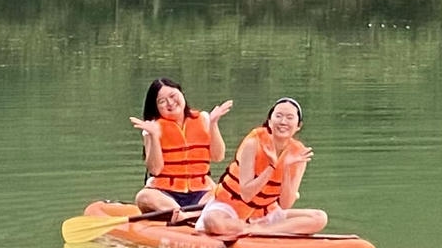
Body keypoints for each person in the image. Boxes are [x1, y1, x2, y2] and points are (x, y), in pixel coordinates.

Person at [198, 97, 327, 238]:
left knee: (319, 218)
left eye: (290, 117)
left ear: (298, 126)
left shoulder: (299, 155)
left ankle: (260, 231)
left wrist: (286, 169)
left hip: (265, 213)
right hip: (231, 207)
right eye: (278, 116)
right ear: (270, 122)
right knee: (212, 222)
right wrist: (272, 167)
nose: (283, 122)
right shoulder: (253, 143)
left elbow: (285, 204)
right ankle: (254, 228)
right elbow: (246, 194)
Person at [131, 78, 233, 219]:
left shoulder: (204, 119)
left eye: (173, 96)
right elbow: (155, 170)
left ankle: (185, 216)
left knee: (226, 193)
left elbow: (218, 156)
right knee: (144, 197)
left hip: (201, 192)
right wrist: (154, 136)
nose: (170, 103)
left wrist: (213, 123)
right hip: (166, 194)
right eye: (162, 101)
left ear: (181, 93)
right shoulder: (152, 127)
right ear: (156, 107)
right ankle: (188, 214)